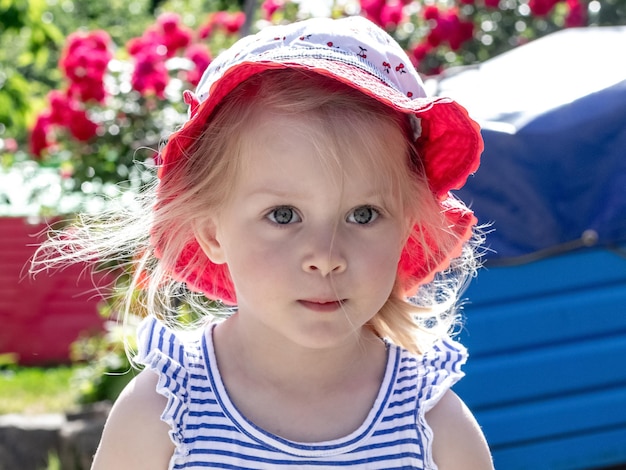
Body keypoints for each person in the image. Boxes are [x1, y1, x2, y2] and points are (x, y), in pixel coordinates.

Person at [35, 15, 492, 470]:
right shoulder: (165, 417)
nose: (325, 257)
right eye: (283, 216)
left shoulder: (431, 427)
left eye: (363, 214)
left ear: (406, 228)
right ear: (212, 232)